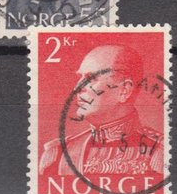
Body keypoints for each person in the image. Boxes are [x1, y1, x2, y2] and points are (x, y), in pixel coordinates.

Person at [38, 44, 163, 177]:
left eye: (91, 79)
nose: (77, 88)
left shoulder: (161, 152)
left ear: (124, 90)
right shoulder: (59, 153)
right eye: (80, 78)